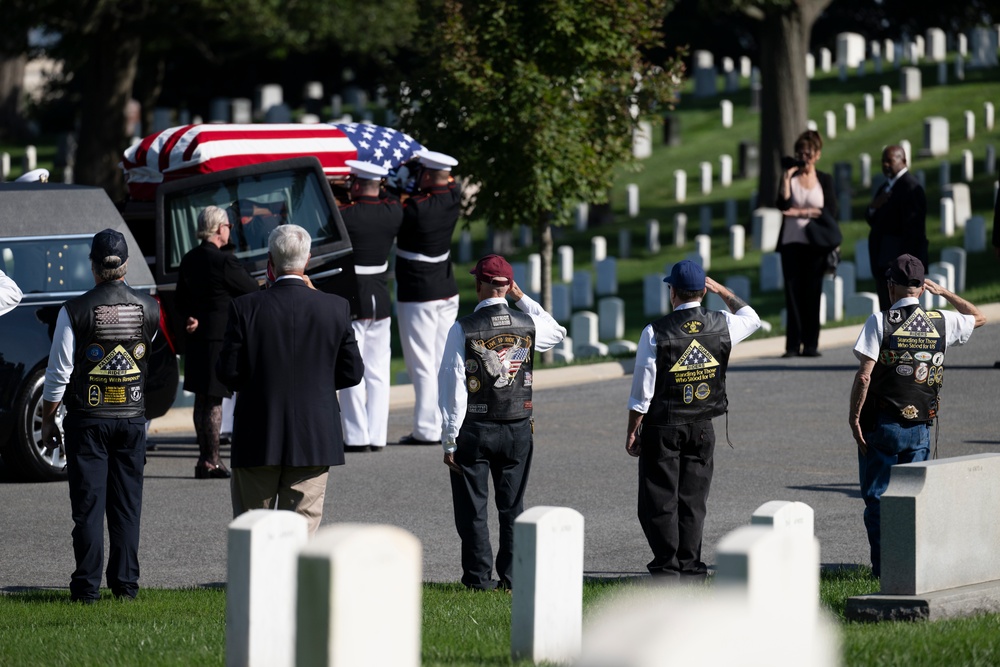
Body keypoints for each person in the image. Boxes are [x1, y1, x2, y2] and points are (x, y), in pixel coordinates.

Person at [217, 224, 364, 536]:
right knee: (300, 532)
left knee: (253, 531)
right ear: (307, 260)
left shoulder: (245, 307)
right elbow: (352, 372)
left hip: (258, 431)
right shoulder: (334, 307)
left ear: (270, 260)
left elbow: (227, 372)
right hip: (314, 433)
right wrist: (320, 380)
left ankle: (257, 586)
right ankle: (292, 585)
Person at [40, 229, 160, 602]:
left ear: (93, 266)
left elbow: (58, 373)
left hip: (88, 420)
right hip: (132, 417)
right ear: (125, 265)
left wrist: (47, 419)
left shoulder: (74, 311)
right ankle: (126, 586)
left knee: (89, 508)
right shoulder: (151, 308)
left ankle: (86, 588)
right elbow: (145, 356)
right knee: (127, 506)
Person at [848, 254, 984, 577]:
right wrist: (945, 294)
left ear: (891, 286)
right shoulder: (942, 322)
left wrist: (854, 419)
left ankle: (884, 572)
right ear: (921, 288)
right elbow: (978, 317)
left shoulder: (879, 322)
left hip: (883, 424)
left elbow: (865, 375)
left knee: (879, 500)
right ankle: (914, 570)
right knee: (913, 502)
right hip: (922, 425)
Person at [625, 260, 761, 580]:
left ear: (672, 292)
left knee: (658, 500)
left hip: (663, 424)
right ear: (703, 291)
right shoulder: (722, 323)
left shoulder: (655, 331)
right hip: (702, 424)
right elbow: (752, 319)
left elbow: (643, 389)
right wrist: (723, 291)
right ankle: (690, 566)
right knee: (693, 500)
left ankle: (666, 566)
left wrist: (633, 430)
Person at [439, 254, 566, 590]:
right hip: (518, 424)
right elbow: (558, 331)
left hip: (475, 428)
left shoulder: (463, 328)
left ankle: (479, 579)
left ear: (478, 285)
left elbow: (453, 386)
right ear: (507, 286)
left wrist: (450, 438)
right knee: (513, 507)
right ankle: (513, 576)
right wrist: (522, 299)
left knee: (473, 509)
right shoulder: (528, 324)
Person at [176, 206, 260, 478]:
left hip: (197, 338)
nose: (230, 229)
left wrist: (190, 316)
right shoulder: (224, 261)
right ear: (217, 228)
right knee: (213, 402)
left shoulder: (188, 259)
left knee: (201, 400)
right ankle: (212, 460)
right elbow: (251, 288)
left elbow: (182, 299)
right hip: (218, 338)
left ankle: (204, 458)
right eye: (228, 225)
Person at [396, 149, 462, 445]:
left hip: (418, 291)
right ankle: (447, 420)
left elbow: (393, 204)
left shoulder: (415, 208)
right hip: (446, 288)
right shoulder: (453, 197)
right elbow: (450, 182)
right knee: (442, 359)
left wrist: (402, 181)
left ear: (425, 176)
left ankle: (426, 427)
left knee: (421, 361)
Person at [338, 160, 404, 453]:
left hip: (355, 297)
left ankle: (356, 435)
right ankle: (377, 435)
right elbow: (389, 196)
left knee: (352, 365)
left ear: (354, 184)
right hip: (380, 296)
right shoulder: (392, 212)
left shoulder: (346, 215)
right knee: (378, 371)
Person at [775, 129, 838, 357]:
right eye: (800, 153)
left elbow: (829, 211)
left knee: (813, 293)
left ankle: (811, 344)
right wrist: (786, 176)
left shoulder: (824, 179)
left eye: (808, 153)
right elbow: (782, 205)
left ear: (817, 155)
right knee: (793, 295)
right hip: (791, 243)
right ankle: (792, 345)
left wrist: (802, 211)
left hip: (816, 245)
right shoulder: (790, 178)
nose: (804, 157)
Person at [866, 145, 928, 311]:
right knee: (886, 312)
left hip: (898, 264)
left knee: (898, 314)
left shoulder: (910, 187)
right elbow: (873, 219)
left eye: (890, 161)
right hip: (883, 261)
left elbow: (913, 231)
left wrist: (906, 266)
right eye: (883, 161)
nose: (885, 164)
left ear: (904, 161)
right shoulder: (886, 187)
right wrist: (873, 207)